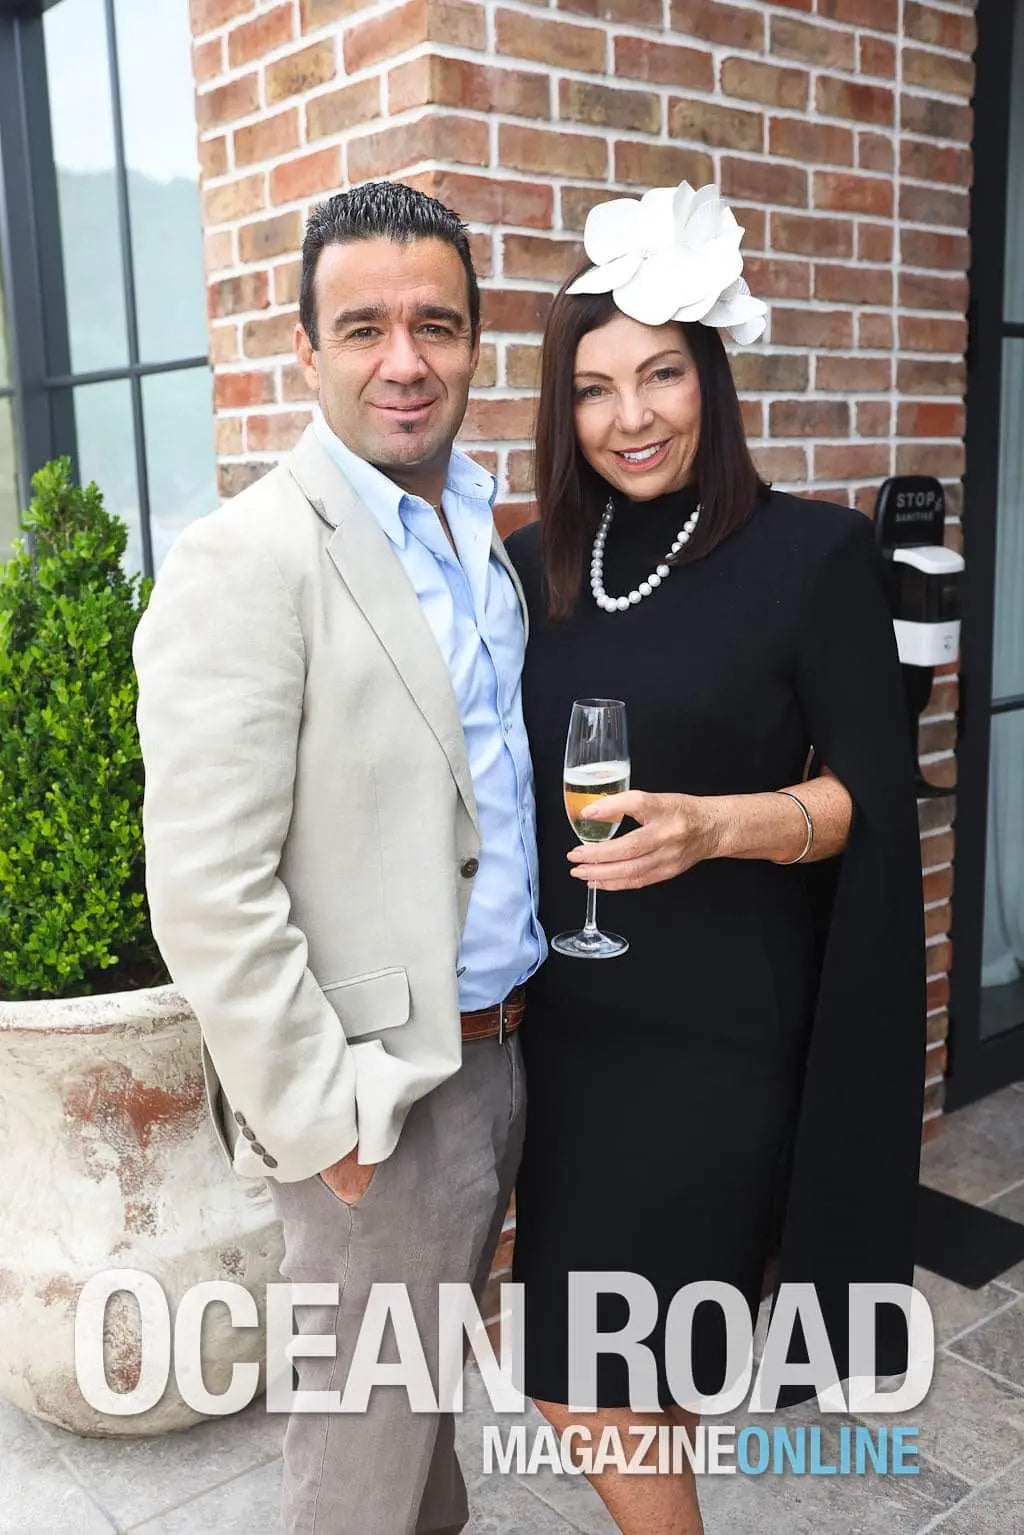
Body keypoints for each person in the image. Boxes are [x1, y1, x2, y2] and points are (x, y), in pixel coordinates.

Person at [505, 182, 927, 1535]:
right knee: (638, 1367)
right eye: (594, 388)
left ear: (713, 379)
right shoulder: (533, 565)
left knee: (583, 1377)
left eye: (662, 375)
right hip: (574, 1028)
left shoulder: (815, 554)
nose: (630, 416)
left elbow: (866, 799)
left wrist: (715, 825)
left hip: (726, 1034)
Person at [133, 180, 544, 1535]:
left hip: (503, 1052)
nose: (404, 360)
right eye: (364, 327)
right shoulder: (246, 559)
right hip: (381, 1101)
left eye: (437, 324)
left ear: (476, 342)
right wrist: (325, 1124)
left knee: (420, 1433)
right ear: (305, 350)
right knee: (358, 1474)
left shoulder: (479, 534)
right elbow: (209, 888)